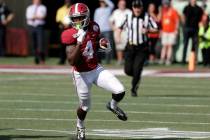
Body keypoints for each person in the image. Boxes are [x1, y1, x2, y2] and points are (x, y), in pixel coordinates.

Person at [61, 3, 127, 140]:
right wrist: (79, 42)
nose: (77, 21)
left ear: (87, 17)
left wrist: (102, 43)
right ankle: (80, 126)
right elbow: (71, 61)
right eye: (75, 18)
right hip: (81, 74)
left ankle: (113, 105)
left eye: (80, 18)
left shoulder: (94, 26)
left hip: (95, 68)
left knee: (120, 90)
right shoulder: (69, 34)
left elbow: (95, 41)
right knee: (85, 107)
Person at [117, 0, 158, 97]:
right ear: (132, 7)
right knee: (127, 70)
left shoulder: (147, 17)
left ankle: (134, 89)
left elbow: (156, 28)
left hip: (142, 48)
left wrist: (148, 30)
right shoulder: (128, 17)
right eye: (135, 7)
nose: (137, 9)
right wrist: (118, 37)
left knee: (137, 68)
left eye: (138, 7)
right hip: (130, 47)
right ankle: (137, 76)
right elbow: (120, 27)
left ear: (142, 8)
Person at [109, 0, 131, 65]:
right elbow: (110, 21)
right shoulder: (115, 12)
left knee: (127, 46)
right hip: (117, 31)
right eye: (121, 4)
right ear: (118, 5)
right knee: (118, 47)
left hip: (126, 31)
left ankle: (127, 60)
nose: (122, 5)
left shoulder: (129, 12)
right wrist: (113, 28)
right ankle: (120, 60)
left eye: (124, 4)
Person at [181, 0, 203, 64]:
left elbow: (201, 17)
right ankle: (183, 60)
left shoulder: (198, 8)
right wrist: (184, 25)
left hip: (195, 29)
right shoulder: (186, 7)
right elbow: (183, 16)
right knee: (185, 45)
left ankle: (193, 60)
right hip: (187, 28)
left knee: (194, 45)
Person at [26, 0, 47, 64]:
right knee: (33, 43)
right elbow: (28, 17)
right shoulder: (29, 8)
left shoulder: (43, 7)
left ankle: (42, 58)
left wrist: (36, 17)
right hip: (31, 27)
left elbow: (43, 16)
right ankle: (36, 58)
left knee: (40, 43)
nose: (37, 1)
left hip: (39, 27)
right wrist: (36, 17)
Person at [159, 0, 179, 65]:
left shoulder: (173, 11)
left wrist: (176, 30)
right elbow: (160, 20)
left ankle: (168, 59)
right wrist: (161, 30)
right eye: (164, 4)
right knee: (164, 45)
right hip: (164, 31)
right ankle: (162, 59)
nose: (165, 5)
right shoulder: (162, 11)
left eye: (166, 4)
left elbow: (177, 21)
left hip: (172, 31)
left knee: (170, 46)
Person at [56, 0, 71, 65]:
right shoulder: (60, 10)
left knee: (71, 44)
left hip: (71, 28)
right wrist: (64, 25)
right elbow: (58, 19)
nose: (67, 2)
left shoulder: (73, 8)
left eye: (68, 1)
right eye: (66, 1)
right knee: (62, 45)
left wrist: (69, 24)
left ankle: (70, 60)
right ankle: (62, 60)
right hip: (63, 29)